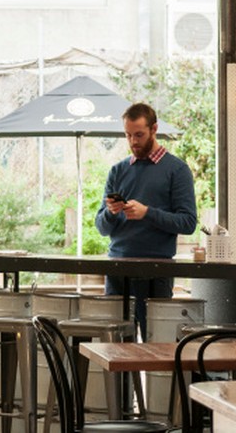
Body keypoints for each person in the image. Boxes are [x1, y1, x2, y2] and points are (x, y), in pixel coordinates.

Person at [95, 102, 198, 331]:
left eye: (139, 134)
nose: (133, 141)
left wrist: (147, 213)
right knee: (115, 348)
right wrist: (112, 213)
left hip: (157, 271)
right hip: (117, 270)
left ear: (154, 129)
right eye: (128, 135)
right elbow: (101, 228)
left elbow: (188, 223)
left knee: (157, 347)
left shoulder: (177, 170)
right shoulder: (118, 171)